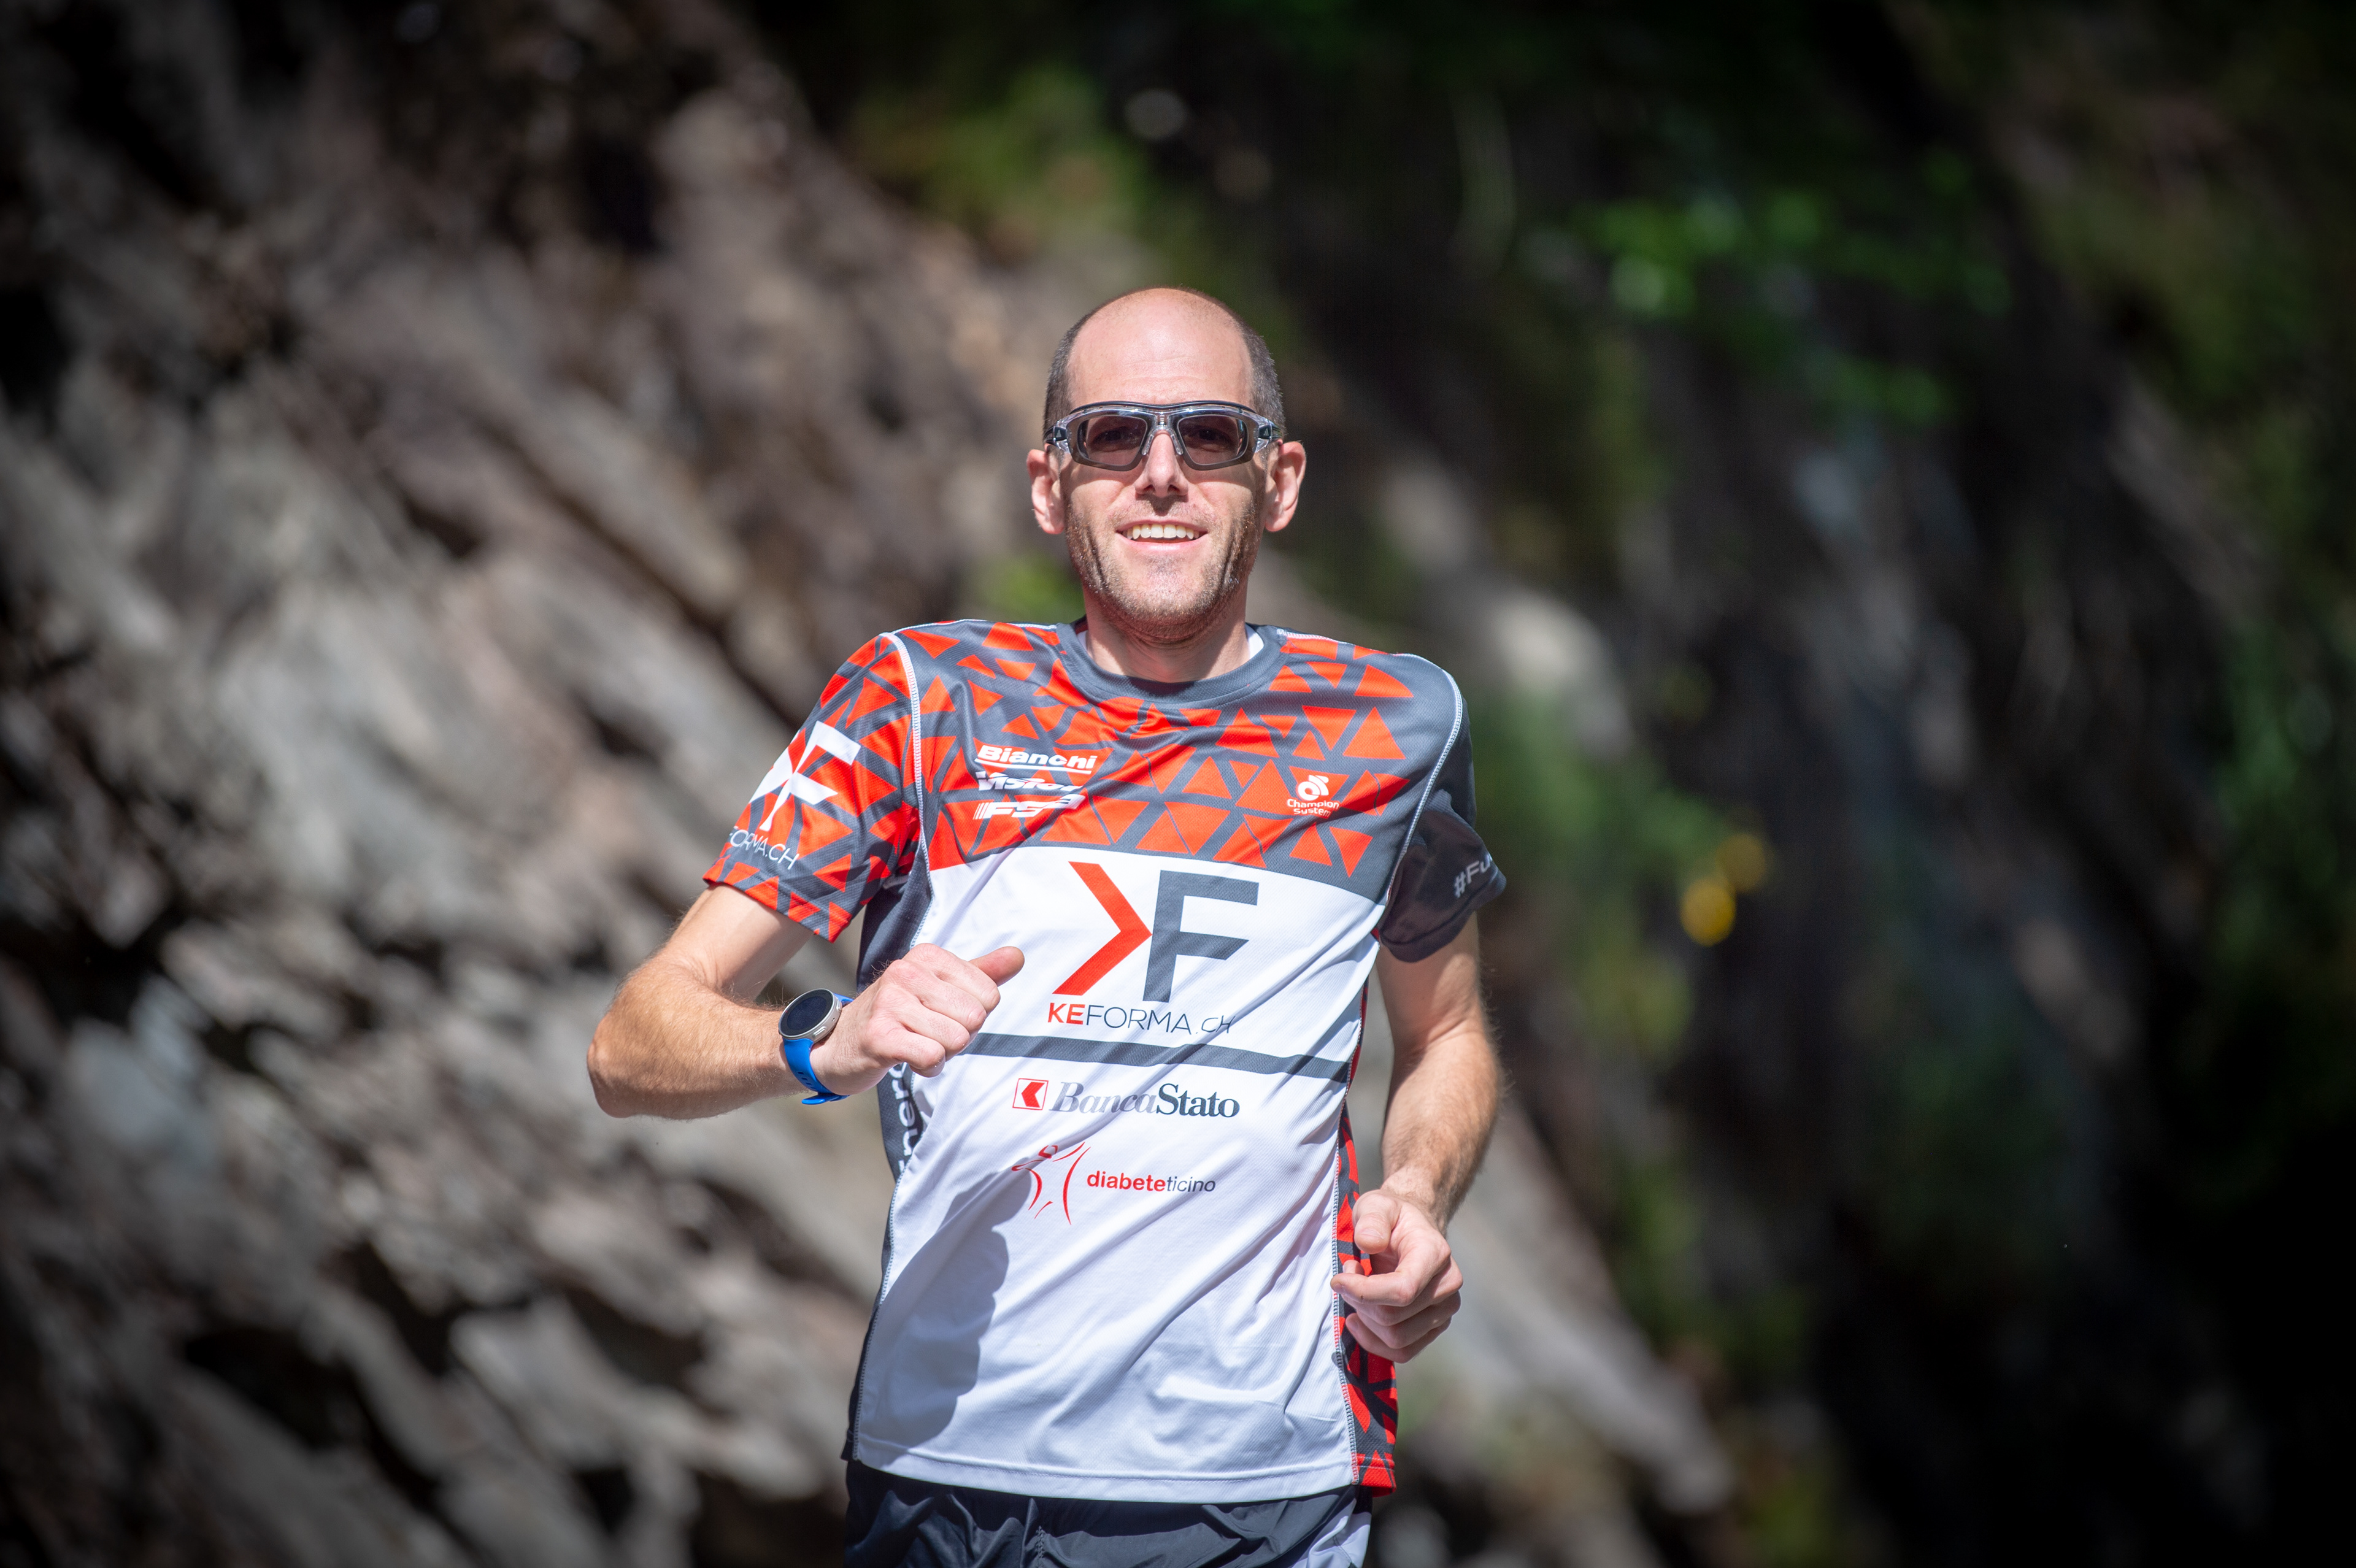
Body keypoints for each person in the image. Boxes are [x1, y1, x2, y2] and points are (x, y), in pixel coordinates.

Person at [588, 286, 1504, 1567]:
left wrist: (1416, 1192)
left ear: (1281, 481)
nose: (1162, 474)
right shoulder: (917, 699)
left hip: (1269, 1494)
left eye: (1212, 436)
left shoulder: (1400, 725)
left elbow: (1448, 1034)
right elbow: (632, 1044)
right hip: (953, 1481)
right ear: (1048, 484)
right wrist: (828, 1041)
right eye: (1113, 436)